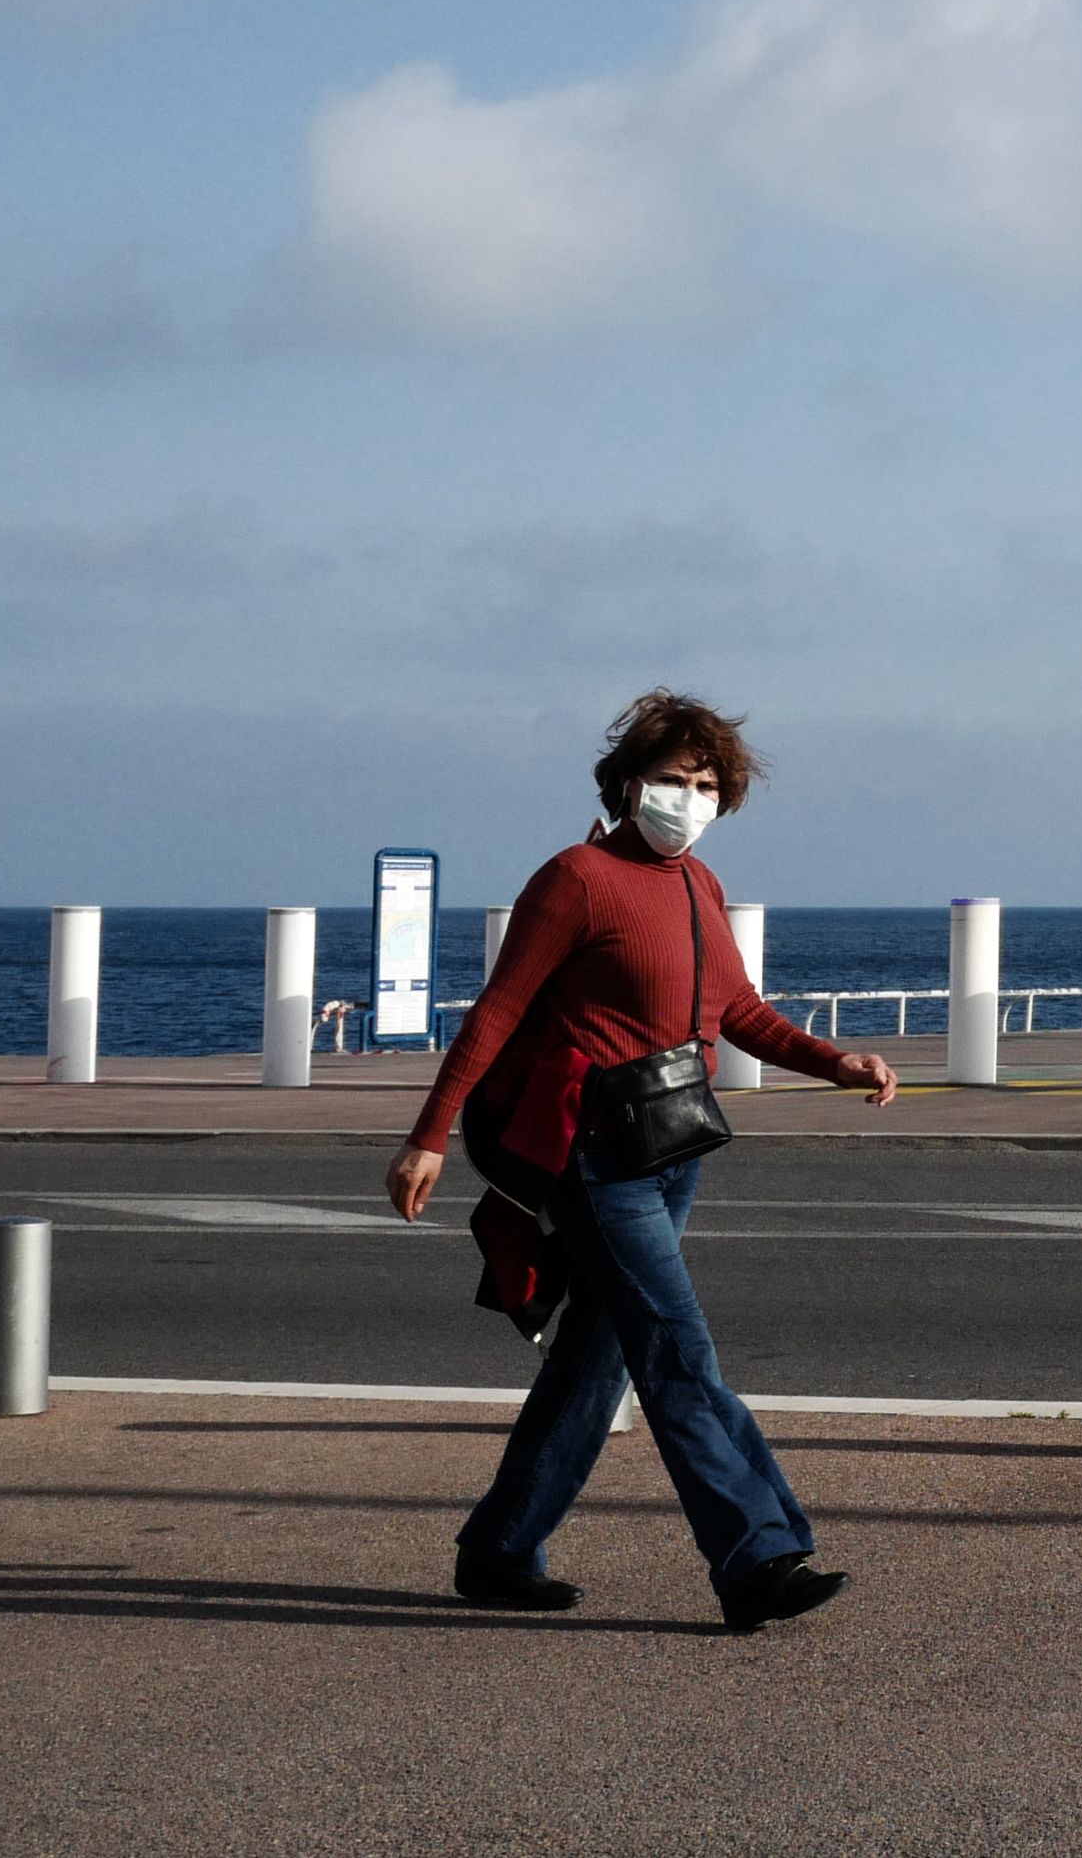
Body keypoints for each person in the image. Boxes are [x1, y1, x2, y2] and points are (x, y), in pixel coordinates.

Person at [384, 690, 900, 1632]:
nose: (688, 797)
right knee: (674, 1346)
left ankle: (499, 1550)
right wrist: (428, 1136)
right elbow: (496, 1013)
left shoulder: (699, 886)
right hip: (590, 1150)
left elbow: (734, 1010)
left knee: (603, 1353)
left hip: (672, 1144)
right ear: (629, 782)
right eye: (671, 778)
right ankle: (757, 1557)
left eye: (705, 784)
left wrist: (833, 1061)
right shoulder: (577, 878)